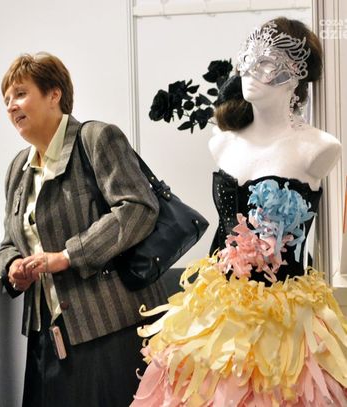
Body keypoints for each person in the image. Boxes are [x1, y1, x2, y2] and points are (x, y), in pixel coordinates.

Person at [132, 17, 347, 406]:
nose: (249, 70)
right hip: (217, 308)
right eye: (247, 58)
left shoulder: (319, 148)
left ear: (295, 75)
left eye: (266, 62)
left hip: (287, 316)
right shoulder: (223, 143)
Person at [0, 52, 171, 407]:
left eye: (20, 94)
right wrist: (13, 266)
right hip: (46, 334)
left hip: (110, 326)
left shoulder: (95, 138)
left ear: (54, 94)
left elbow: (138, 208)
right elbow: (8, 242)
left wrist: (68, 255)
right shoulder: (18, 168)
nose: (11, 106)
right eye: (7, 100)